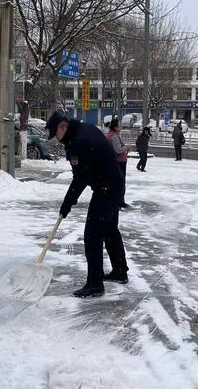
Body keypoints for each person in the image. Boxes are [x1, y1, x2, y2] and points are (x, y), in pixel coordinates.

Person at [46, 111, 129, 298]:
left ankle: (95, 284)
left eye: (56, 134)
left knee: (92, 236)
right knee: (109, 229)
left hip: (106, 189)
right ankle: (120, 270)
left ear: (63, 126)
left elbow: (80, 179)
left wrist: (66, 205)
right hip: (116, 183)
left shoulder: (76, 142)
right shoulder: (86, 128)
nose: (57, 140)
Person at [106, 119, 130, 209]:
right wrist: (126, 147)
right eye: (120, 125)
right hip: (119, 162)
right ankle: (118, 202)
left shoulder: (113, 135)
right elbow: (118, 150)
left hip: (118, 161)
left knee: (118, 182)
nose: (121, 127)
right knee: (119, 182)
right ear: (115, 127)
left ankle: (119, 201)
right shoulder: (113, 136)